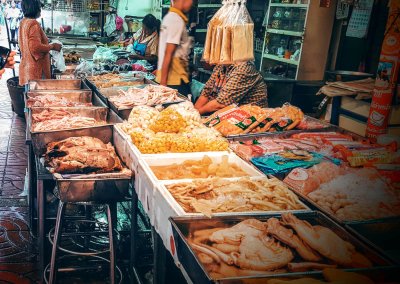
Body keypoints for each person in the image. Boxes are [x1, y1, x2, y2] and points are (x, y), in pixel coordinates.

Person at [194, 61, 268, 115]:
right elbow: (206, 92)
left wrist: (195, 114)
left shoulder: (244, 68)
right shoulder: (221, 66)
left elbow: (220, 104)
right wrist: (193, 114)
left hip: (250, 119)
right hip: (228, 117)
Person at [19, 0, 62, 86]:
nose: (40, 10)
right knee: (37, 97)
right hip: (36, 71)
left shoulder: (24, 22)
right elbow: (35, 47)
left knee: (29, 97)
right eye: (39, 7)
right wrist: (52, 46)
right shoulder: (34, 24)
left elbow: (29, 42)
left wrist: (45, 41)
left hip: (26, 68)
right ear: (35, 8)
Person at [157, 0, 193, 96]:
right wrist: (163, 84)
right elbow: (168, 52)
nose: (192, 3)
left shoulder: (169, 17)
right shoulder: (176, 20)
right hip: (175, 79)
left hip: (171, 78)